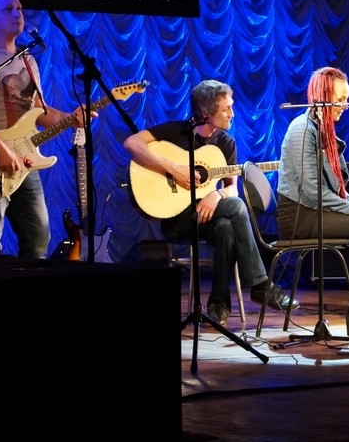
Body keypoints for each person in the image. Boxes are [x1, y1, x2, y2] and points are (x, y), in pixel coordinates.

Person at [123, 79, 298, 326]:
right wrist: (174, 169)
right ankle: (260, 285)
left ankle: (218, 307)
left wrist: (216, 195)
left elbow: (232, 189)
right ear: (206, 113)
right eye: (226, 109)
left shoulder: (226, 144)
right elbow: (132, 143)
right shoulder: (176, 132)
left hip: (208, 218)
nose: (232, 114)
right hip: (178, 220)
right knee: (236, 208)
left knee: (226, 226)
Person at [0, 0, 90, 258]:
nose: (18, 14)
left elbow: (38, 110)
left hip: (25, 162)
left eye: (19, 8)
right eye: (8, 9)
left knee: (38, 239)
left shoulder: (28, 60)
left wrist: (70, 119)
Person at [276, 67, 349, 338]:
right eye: (340, 99)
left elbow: (337, 191)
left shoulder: (325, 132)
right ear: (323, 97)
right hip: (299, 215)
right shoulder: (302, 130)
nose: (345, 106)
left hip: (315, 210)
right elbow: (311, 191)